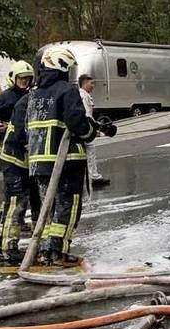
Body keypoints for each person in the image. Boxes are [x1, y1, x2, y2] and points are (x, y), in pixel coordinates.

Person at [19, 45, 116, 266]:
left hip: (39, 164)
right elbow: (77, 123)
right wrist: (91, 132)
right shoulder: (66, 90)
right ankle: (58, 252)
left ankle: (45, 251)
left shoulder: (34, 95)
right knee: (68, 207)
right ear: (61, 67)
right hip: (66, 161)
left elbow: (27, 128)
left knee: (48, 209)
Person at [0, 60, 39, 264]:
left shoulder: (34, 96)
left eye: (28, 78)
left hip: (32, 157)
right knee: (16, 202)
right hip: (13, 156)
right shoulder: (6, 98)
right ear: (13, 78)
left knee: (36, 200)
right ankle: (8, 246)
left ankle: (39, 243)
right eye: (21, 78)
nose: (25, 81)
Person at [78, 74, 110, 188]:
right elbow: (87, 116)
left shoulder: (83, 95)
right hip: (85, 130)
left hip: (83, 129)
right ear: (84, 83)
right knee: (90, 153)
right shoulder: (84, 96)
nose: (93, 86)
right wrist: (96, 130)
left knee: (85, 154)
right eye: (91, 83)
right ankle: (94, 177)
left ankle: (91, 177)